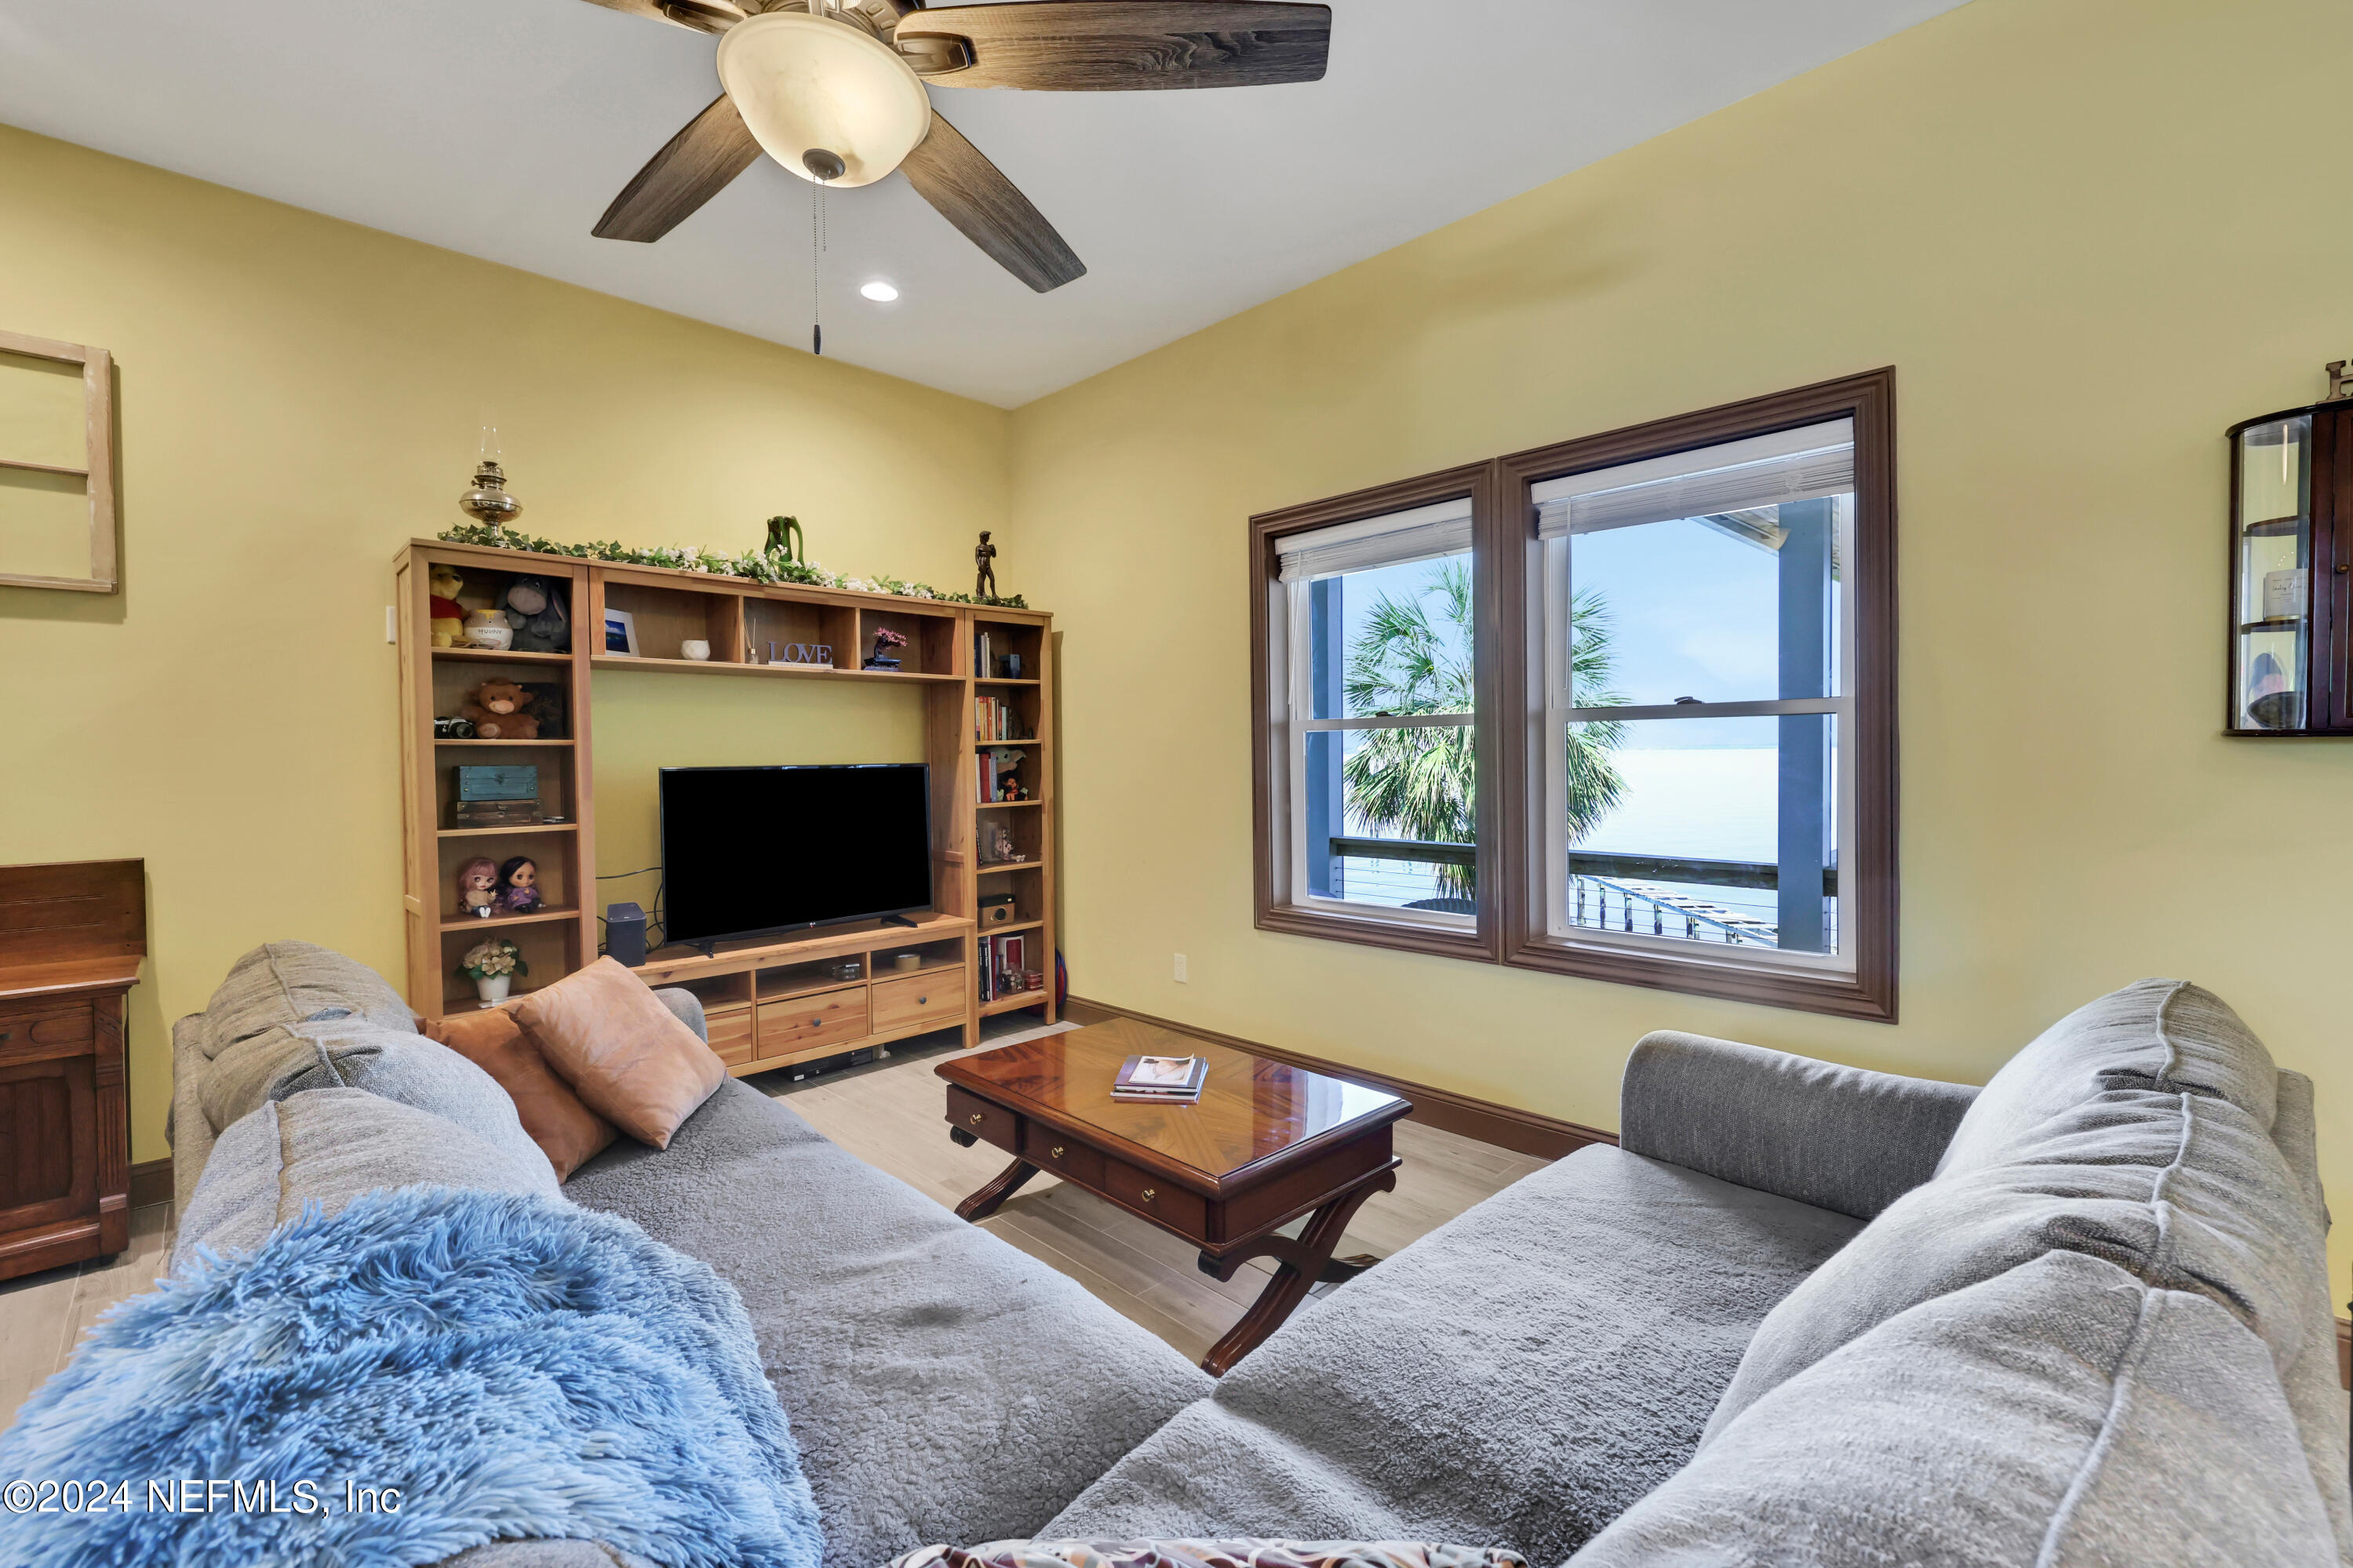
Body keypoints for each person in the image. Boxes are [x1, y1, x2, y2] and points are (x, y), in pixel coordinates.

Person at [974, 530, 998, 598]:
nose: (989, 538)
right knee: (982, 578)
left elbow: (994, 556)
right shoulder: (979, 547)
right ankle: (981, 592)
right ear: (984, 537)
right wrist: (979, 565)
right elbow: (977, 557)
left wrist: (994, 549)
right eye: (988, 537)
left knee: (992, 578)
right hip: (982, 564)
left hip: (988, 565)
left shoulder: (990, 547)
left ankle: (994, 594)